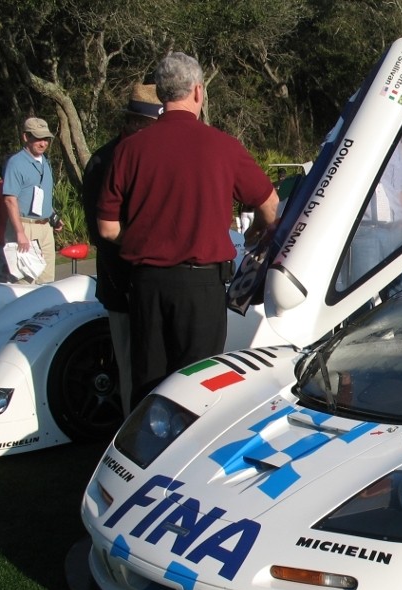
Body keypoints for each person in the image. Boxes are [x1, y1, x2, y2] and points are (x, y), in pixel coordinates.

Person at [97, 52, 278, 407]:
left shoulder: (129, 149)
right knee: (199, 387)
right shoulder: (223, 146)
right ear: (198, 92)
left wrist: (142, 240)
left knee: (149, 385)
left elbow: (106, 228)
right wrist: (256, 230)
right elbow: (270, 206)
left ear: (162, 93)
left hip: (147, 284)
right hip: (201, 286)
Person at [82, 81, 163, 414]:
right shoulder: (104, 162)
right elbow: (102, 233)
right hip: (122, 279)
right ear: (135, 122)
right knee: (132, 365)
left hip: (156, 283)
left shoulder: (151, 156)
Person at [3, 117, 63, 284]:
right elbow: (10, 200)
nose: (43, 143)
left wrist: (53, 217)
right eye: (37, 138)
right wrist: (20, 233)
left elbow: (40, 195)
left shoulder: (45, 162)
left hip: (45, 227)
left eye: (46, 139)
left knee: (47, 280)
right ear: (26, 137)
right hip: (24, 227)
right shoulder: (16, 163)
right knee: (25, 281)